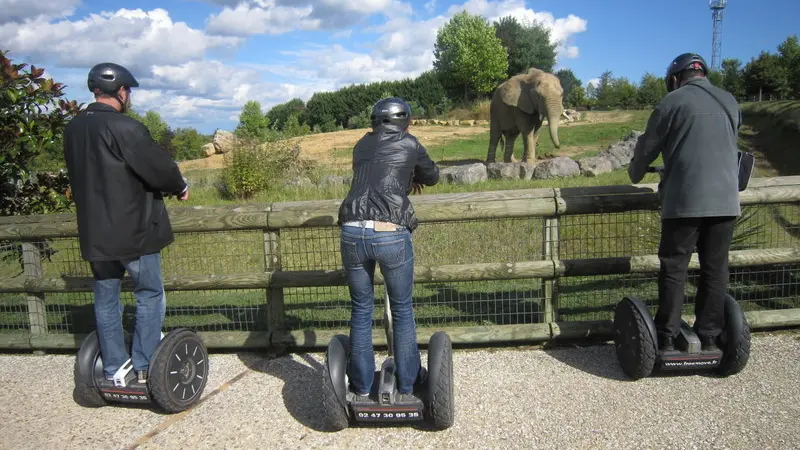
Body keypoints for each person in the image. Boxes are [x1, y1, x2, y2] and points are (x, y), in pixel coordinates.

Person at [63, 62, 189, 385]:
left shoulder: (73, 130)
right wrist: (180, 185)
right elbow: (158, 168)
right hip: (135, 232)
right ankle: (145, 365)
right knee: (149, 294)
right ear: (120, 91)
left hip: (96, 234)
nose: (128, 95)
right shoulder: (126, 128)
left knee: (106, 299)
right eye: (128, 90)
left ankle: (114, 367)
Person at [628, 53, 742, 352]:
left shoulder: (672, 102)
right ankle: (710, 337)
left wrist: (635, 172)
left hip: (684, 202)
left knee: (674, 266)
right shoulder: (729, 100)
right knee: (715, 269)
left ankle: (666, 337)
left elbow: (647, 147)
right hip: (726, 201)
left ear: (676, 78)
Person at [337, 97, 440, 399]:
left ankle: (361, 386)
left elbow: (373, 174)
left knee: (361, 308)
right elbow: (432, 176)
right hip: (390, 232)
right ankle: (408, 384)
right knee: (402, 309)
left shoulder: (361, 145)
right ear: (405, 120)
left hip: (352, 230)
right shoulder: (410, 143)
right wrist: (412, 176)